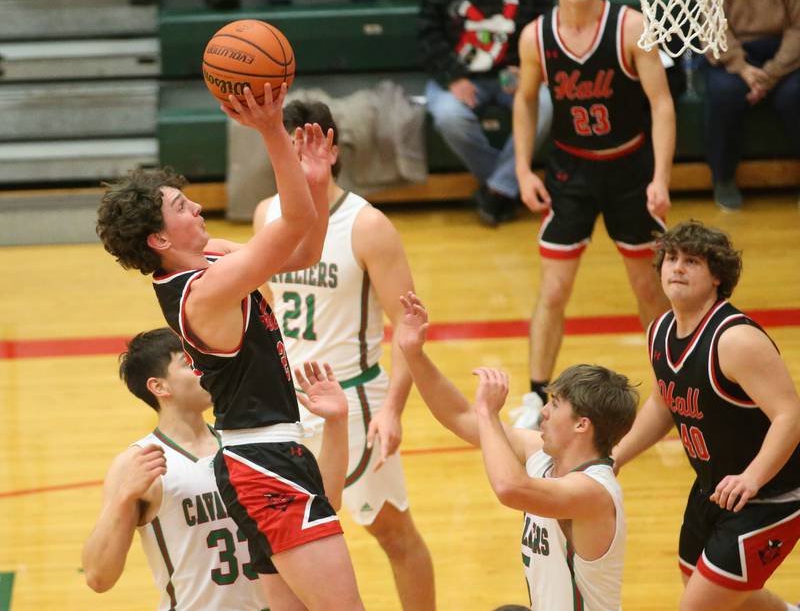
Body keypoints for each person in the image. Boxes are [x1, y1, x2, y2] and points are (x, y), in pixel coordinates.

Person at [96, 83, 364, 610]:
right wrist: (271, 132)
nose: (195, 205)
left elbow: (304, 250)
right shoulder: (201, 295)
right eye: (179, 205)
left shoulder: (212, 259)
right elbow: (293, 226)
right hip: (265, 461)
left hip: (259, 458)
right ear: (159, 240)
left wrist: (313, 183)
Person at [252, 99, 436, 611]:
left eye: (301, 147)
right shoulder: (268, 213)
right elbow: (265, 297)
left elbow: (407, 327)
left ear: (328, 150)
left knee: (393, 533)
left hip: (357, 398)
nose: (288, 159)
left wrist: (395, 408)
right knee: (290, 546)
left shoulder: (367, 224)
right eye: (281, 149)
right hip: (288, 404)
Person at [397, 291, 638, 610]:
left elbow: (509, 488)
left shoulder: (592, 492)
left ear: (582, 424)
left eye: (555, 405)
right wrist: (414, 355)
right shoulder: (543, 452)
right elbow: (460, 417)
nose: (543, 413)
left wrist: (488, 413)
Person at [82, 328, 349, 610]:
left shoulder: (249, 444)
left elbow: (325, 503)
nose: (205, 369)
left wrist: (337, 423)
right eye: (189, 364)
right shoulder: (138, 462)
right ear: (159, 387)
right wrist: (123, 499)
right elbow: (98, 577)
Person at [614, 221, 800, 611]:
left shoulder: (735, 340)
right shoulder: (659, 330)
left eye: (692, 261)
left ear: (717, 276)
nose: (677, 267)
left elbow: (790, 415)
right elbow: (663, 404)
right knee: (716, 589)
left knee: (697, 606)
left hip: (773, 494)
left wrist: (752, 477)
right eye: (672, 258)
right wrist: (615, 457)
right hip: (713, 487)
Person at [511, 0, 675, 429]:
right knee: (554, 290)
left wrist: (661, 176)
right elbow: (526, 100)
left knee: (648, 287)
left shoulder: (631, 28)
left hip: (629, 168)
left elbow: (661, 103)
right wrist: (523, 168)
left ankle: (671, 391)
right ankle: (534, 395)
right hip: (571, 172)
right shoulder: (536, 37)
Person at [418, 0, 554, 226]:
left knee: (544, 105)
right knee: (449, 115)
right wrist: (453, 77)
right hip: (459, 76)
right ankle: (502, 188)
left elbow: (547, 26)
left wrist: (526, 67)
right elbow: (427, 34)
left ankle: (497, 190)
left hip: (512, 74)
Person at [702, 0, 800, 211]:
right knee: (725, 93)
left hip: (783, 53)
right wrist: (742, 68)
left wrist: (771, 74)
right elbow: (713, 28)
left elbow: (798, 30)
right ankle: (723, 178)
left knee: (794, 95)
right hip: (734, 53)